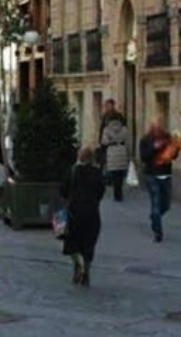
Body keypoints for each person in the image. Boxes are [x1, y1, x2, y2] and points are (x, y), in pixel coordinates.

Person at [60, 146, 105, 287]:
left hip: (74, 213)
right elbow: (100, 192)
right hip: (92, 214)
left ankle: (77, 264)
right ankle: (86, 271)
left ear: (79, 157)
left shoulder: (72, 172)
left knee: (71, 242)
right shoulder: (97, 173)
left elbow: (63, 191)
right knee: (88, 244)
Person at [139, 118, 178, 242]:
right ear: (151, 129)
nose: (157, 130)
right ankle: (158, 232)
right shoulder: (145, 140)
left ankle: (155, 217)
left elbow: (174, 156)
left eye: (159, 128)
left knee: (166, 204)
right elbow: (143, 157)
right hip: (151, 175)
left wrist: (176, 148)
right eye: (155, 128)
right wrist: (154, 147)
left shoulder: (168, 139)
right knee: (156, 203)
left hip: (166, 174)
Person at [100, 107, 129, 201]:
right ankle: (119, 192)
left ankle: (116, 194)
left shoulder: (107, 129)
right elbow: (127, 139)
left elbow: (104, 141)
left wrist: (110, 140)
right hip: (121, 151)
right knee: (120, 173)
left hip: (112, 151)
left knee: (114, 173)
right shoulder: (124, 128)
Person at [97, 99, 125, 170]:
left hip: (115, 142)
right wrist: (100, 140)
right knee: (105, 159)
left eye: (108, 105)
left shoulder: (118, 116)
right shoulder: (105, 116)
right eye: (106, 106)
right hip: (106, 142)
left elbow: (122, 128)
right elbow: (102, 128)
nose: (106, 107)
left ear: (112, 105)